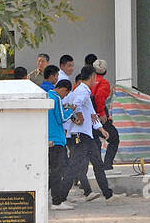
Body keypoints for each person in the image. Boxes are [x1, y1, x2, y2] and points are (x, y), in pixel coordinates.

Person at [64, 66, 114, 201]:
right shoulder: (82, 91)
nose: (95, 81)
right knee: (74, 166)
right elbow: (75, 104)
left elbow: (92, 113)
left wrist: (100, 129)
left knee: (98, 164)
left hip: (87, 135)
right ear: (92, 77)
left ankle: (108, 194)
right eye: (95, 78)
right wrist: (79, 118)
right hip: (80, 136)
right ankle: (60, 197)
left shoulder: (85, 90)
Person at [48, 79, 73, 209]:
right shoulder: (56, 98)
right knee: (57, 172)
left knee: (51, 172)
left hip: (48, 140)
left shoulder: (47, 95)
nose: (65, 96)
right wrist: (71, 111)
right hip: (57, 140)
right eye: (66, 94)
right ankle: (57, 201)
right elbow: (62, 118)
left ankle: (42, 197)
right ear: (64, 89)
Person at [91, 58, 119, 169]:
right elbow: (99, 97)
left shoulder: (86, 82)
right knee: (114, 138)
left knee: (93, 140)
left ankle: (96, 165)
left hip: (88, 115)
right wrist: (102, 113)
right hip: (99, 114)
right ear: (105, 71)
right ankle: (106, 165)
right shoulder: (104, 83)